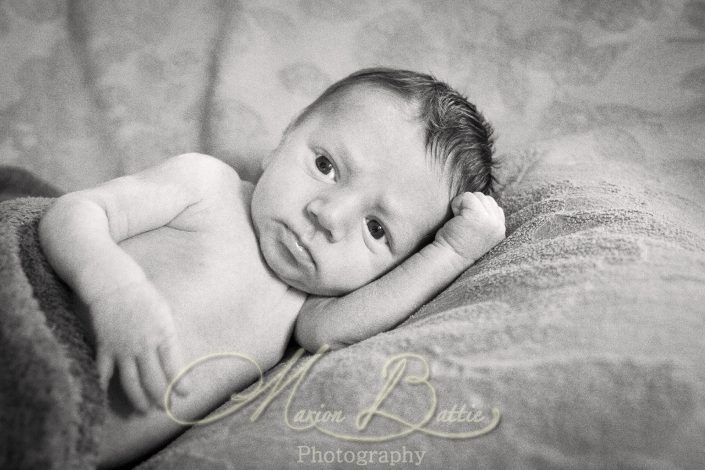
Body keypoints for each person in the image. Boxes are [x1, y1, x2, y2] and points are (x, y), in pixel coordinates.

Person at [38, 68, 505, 467]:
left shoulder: (309, 312)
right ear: (279, 145)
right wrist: (114, 292)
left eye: (377, 229)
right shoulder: (207, 188)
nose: (328, 215)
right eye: (325, 165)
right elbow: (76, 213)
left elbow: (334, 333)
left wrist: (452, 254)